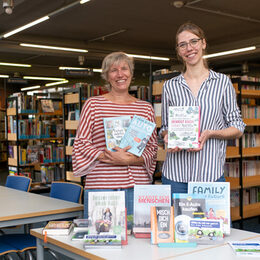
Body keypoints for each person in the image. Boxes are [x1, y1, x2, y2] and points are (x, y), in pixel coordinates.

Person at [160, 22, 245, 194]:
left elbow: (238, 127)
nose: (189, 48)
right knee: (177, 222)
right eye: (182, 45)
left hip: (210, 175)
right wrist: (168, 136)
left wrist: (211, 133)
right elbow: (165, 127)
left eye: (193, 41)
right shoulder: (169, 86)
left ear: (203, 43)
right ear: (178, 50)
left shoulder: (222, 82)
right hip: (175, 175)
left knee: (209, 221)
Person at [72, 52, 158, 221]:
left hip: (137, 187)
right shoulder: (93, 104)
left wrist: (128, 160)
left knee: (139, 239)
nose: (120, 74)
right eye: (114, 70)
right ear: (106, 75)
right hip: (101, 186)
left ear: (131, 74)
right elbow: (81, 143)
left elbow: (152, 150)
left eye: (124, 68)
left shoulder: (145, 108)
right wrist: (110, 156)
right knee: (102, 239)